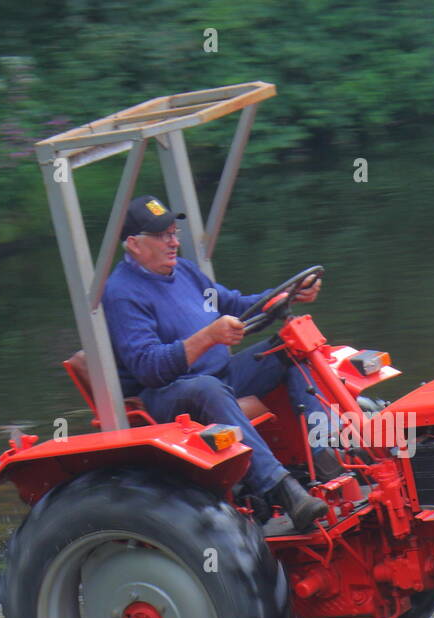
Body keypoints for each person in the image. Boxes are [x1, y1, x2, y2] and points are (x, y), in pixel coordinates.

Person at [102, 195, 332, 530]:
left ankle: (326, 456)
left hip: (218, 375)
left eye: (174, 232)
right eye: (164, 235)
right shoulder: (121, 293)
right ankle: (283, 491)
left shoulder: (184, 272)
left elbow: (234, 304)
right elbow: (148, 368)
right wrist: (207, 337)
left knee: (289, 349)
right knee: (207, 389)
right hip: (167, 395)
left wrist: (286, 296)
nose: (174, 242)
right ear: (135, 244)